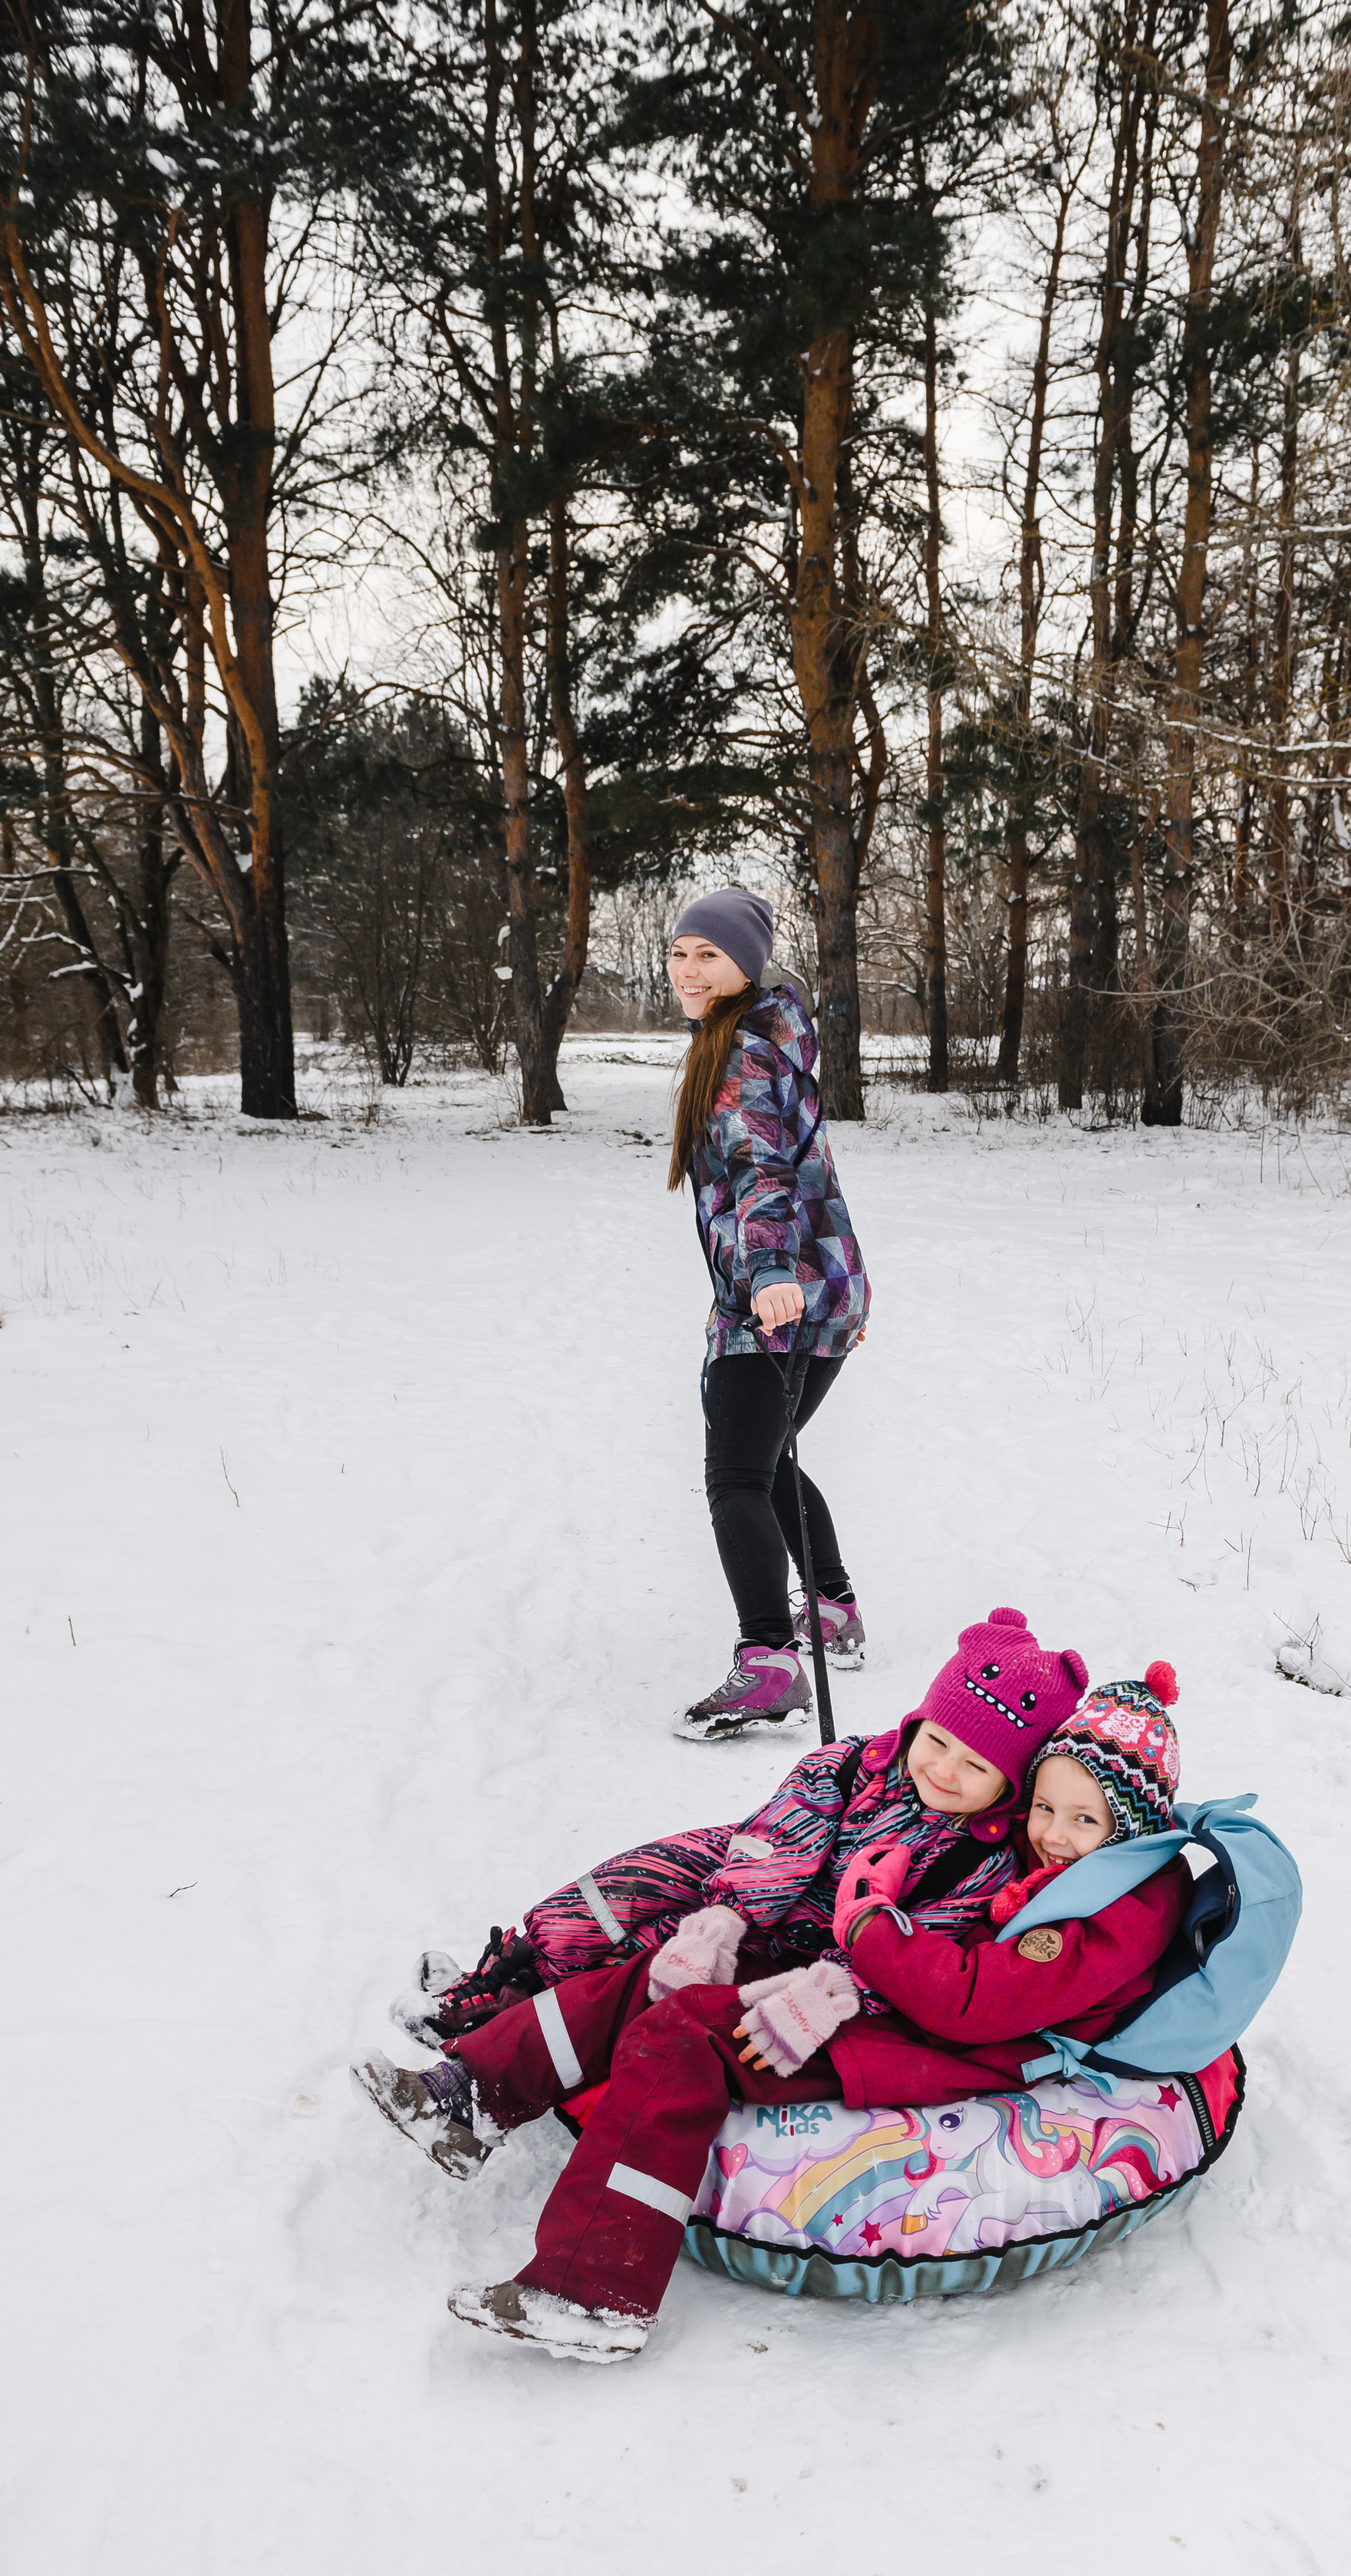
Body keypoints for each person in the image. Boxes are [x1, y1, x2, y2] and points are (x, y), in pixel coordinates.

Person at [351, 1610, 1092, 2353]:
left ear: (1009, 1784)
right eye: (936, 1741)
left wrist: (829, 1991)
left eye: (974, 1767)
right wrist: (723, 1922)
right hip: (768, 1937)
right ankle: (467, 2099)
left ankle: (591, 2293)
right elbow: (781, 1835)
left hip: (835, 1999)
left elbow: (920, 1953)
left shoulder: (985, 1861)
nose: (943, 1771)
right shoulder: (856, 1767)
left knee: (675, 2050)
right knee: (638, 1981)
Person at [664, 889, 871, 1740]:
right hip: (825, 1283)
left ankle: (770, 1661)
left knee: (736, 1476)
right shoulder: (755, 1035)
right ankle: (831, 1608)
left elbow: (760, 1169)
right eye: (679, 953)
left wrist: (768, 1271)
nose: (687, 969)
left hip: (782, 1290)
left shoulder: (743, 1051)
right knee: (767, 1454)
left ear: (746, 964)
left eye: (707, 955)